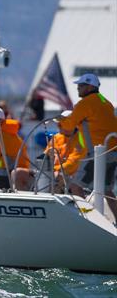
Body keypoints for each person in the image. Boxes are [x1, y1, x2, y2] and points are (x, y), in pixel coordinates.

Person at [57, 73, 117, 217]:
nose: (78, 88)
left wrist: (60, 121)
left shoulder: (85, 103)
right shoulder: (105, 102)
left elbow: (68, 126)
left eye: (81, 86)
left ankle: (90, 219)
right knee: (107, 191)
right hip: (112, 153)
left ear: (90, 87)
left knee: (75, 186)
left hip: (97, 154)